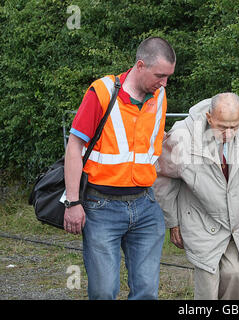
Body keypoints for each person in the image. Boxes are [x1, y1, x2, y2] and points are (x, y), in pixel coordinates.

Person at [63, 37, 176, 300]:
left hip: (145, 205)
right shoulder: (101, 92)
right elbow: (74, 148)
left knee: (147, 291)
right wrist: (73, 202)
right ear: (140, 66)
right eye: (160, 75)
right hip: (101, 207)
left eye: (169, 76)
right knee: (104, 292)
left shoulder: (159, 96)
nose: (164, 82)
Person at [153, 93, 239, 299]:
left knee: (233, 274)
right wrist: (173, 221)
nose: (229, 133)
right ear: (209, 117)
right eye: (222, 127)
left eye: (234, 126)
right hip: (200, 218)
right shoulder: (182, 136)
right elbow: (162, 177)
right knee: (208, 280)